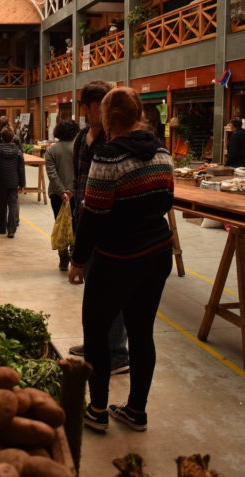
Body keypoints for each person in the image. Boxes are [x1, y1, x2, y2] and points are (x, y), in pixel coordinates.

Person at [68, 87, 174, 434]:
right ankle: (136, 411)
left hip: (117, 257)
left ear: (106, 116)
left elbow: (94, 215)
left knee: (96, 332)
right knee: (142, 332)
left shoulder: (109, 156)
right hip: (157, 253)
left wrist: (78, 260)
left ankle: (97, 410)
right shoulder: (162, 152)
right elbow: (165, 202)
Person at [68, 82, 129, 367]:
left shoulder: (116, 140)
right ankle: (96, 344)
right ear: (87, 108)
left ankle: (116, 351)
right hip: (85, 222)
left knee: (112, 292)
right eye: (99, 106)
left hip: (111, 229)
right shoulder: (82, 138)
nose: (105, 111)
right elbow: (79, 180)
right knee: (93, 290)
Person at [45, 120, 79, 270]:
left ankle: (63, 258)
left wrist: (61, 192)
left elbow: (51, 174)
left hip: (56, 195)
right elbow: (80, 171)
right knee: (75, 225)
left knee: (60, 225)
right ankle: (74, 256)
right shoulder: (79, 149)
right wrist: (71, 190)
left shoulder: (51, 150)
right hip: (76, 194)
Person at [0, 128, 25, 238]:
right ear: (13, 138)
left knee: (2, 204)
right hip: (14, 181)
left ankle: (2, 228)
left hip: (1, 181)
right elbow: (21, 169)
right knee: (12, 204)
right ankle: (11, 230)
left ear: (1, 138)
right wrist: (22, 184)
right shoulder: (18, 151)